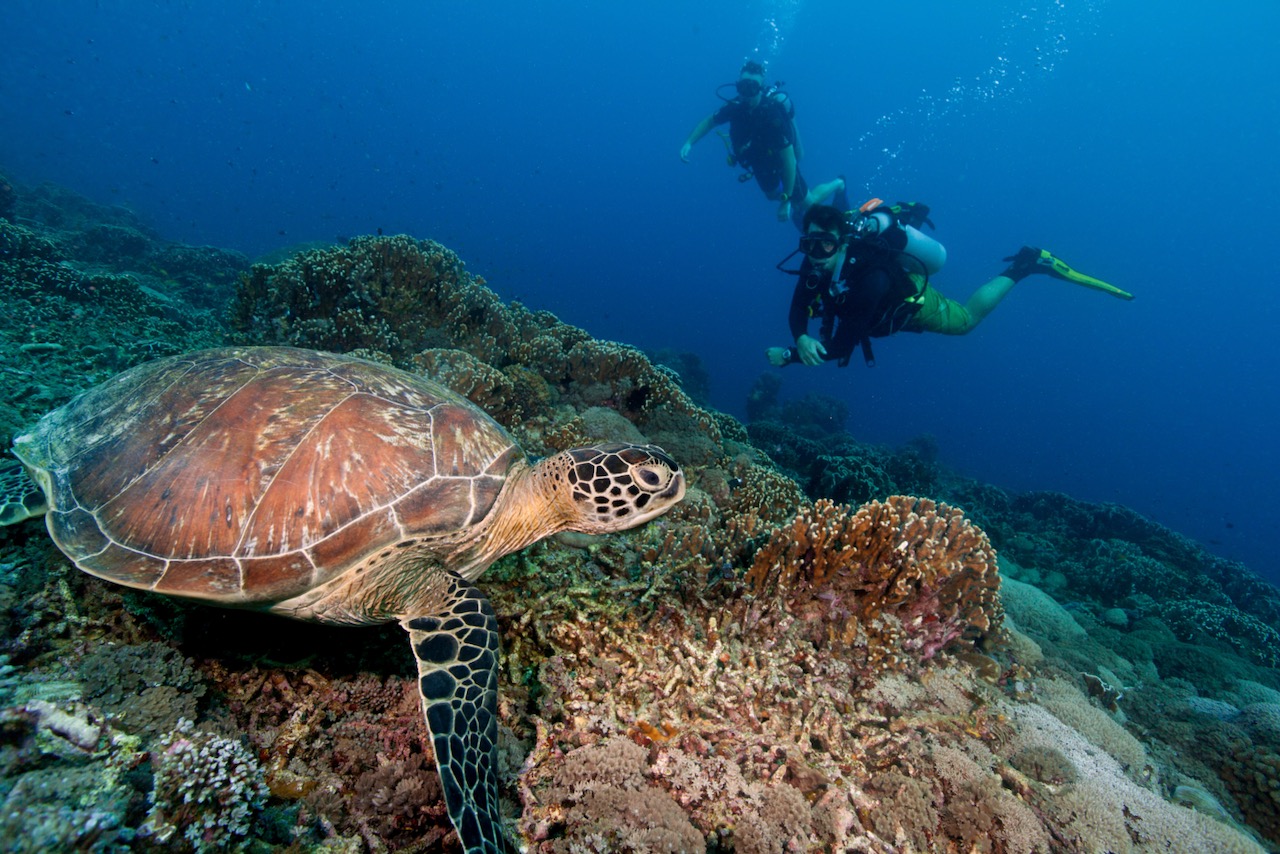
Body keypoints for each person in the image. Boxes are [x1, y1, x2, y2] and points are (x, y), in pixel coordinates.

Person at [766, 203, 1133, 368]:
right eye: (810, 245)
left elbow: (841, 344)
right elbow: (799, 305)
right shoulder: (815, 259)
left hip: (910, 297)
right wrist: (800, 335)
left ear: (842, 242)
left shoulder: (870, 280)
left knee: (967, 321)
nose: (815, 254)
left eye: (825, 245)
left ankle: (1027, 266)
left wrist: (789, 357)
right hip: (869, 309)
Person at [680, 61, 847, 230]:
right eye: (743, 86)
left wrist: (786, 199)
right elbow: (710, 121)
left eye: (752, 87)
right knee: (771, 195)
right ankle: (793, 201)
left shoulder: (772, 116)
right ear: (738, 86)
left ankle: (838, 183)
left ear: (760, 88)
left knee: (808, 205)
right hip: (758, 163)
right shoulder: (734, 108)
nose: (747, 93)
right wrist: (689, 142)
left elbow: (789, 160)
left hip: (781, 163)